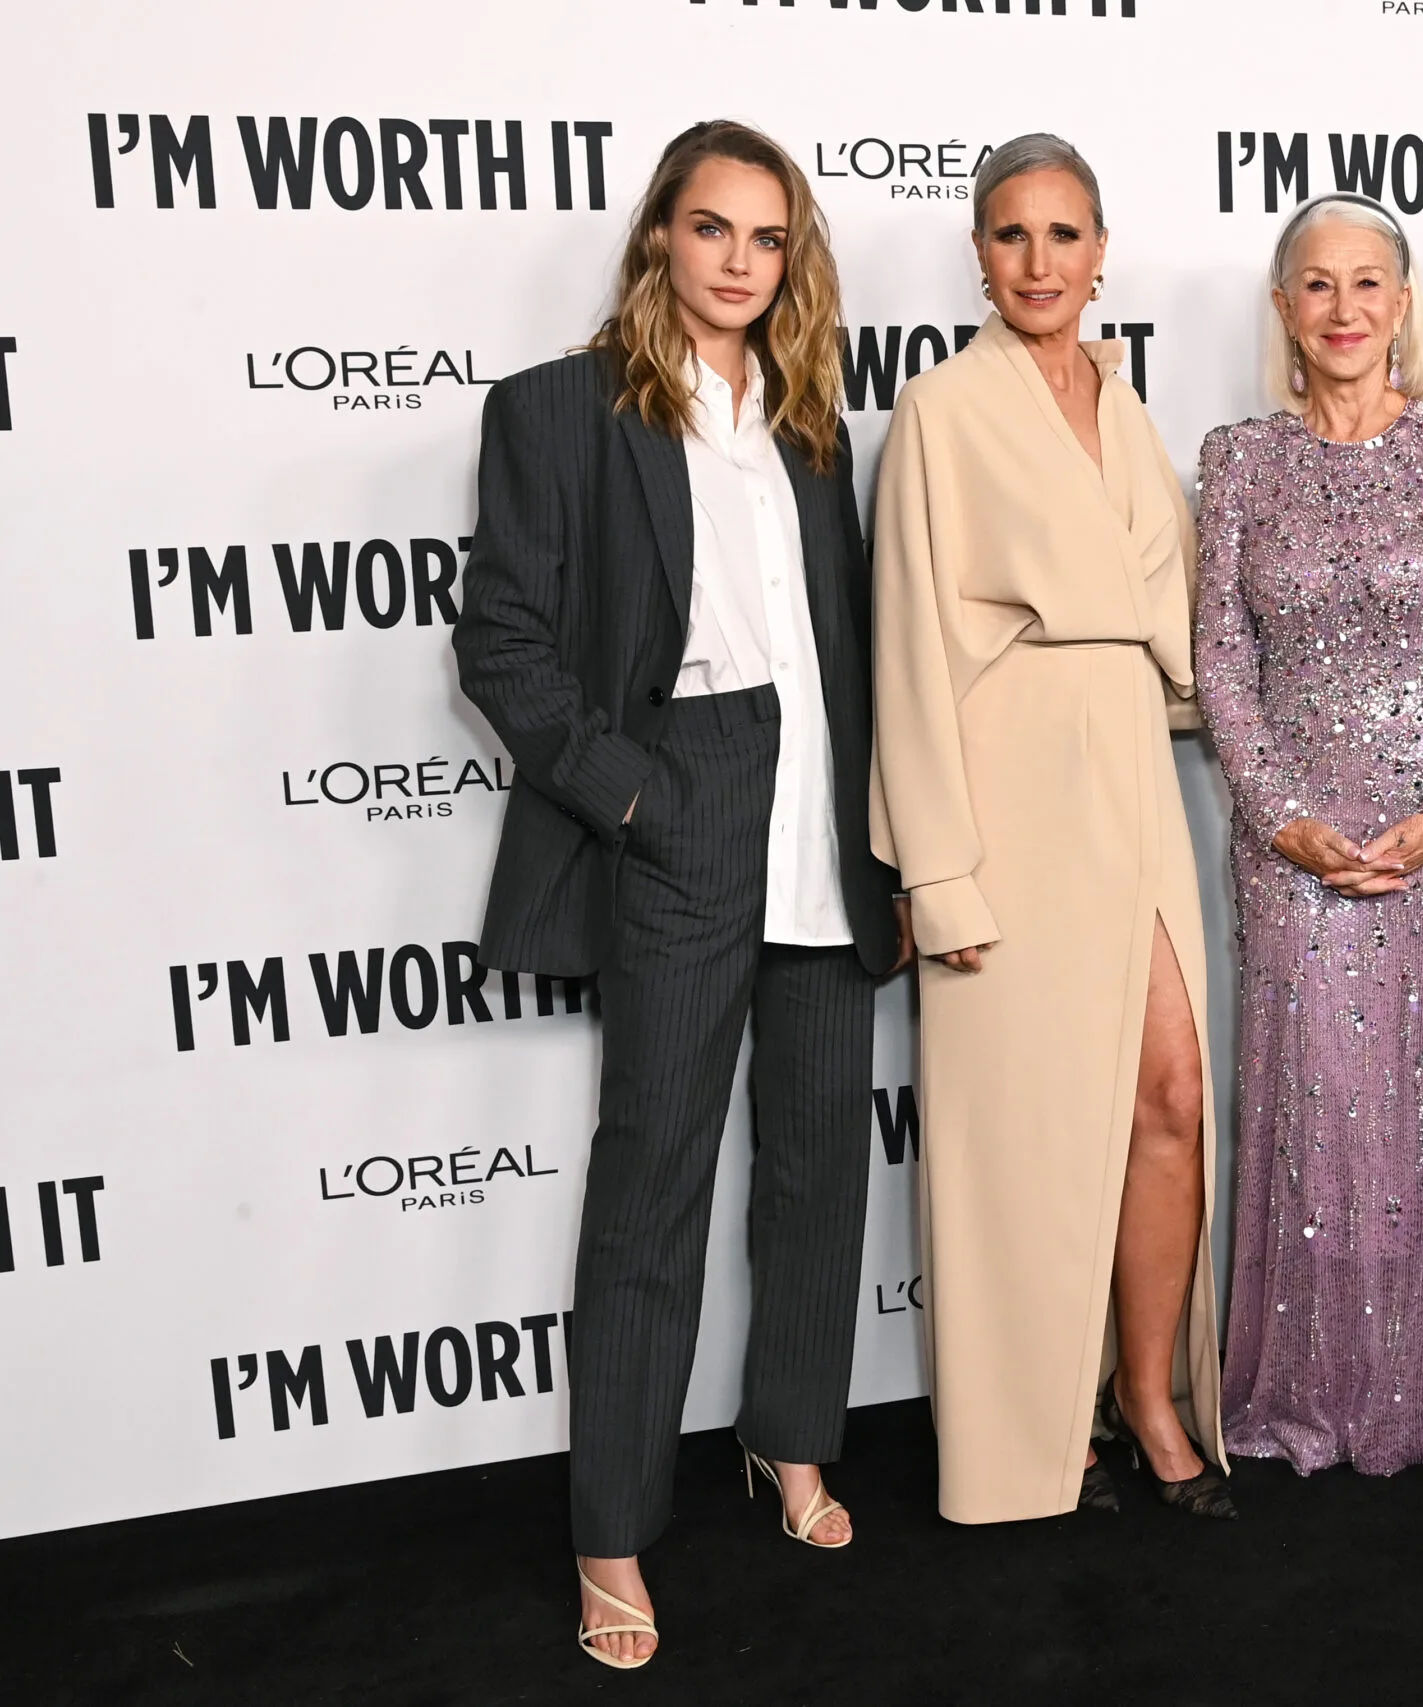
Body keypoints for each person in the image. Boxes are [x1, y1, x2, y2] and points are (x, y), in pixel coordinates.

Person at [454, 120, 907, 1669]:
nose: (738, 261)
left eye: (767, 238)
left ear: (794, 259)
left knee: (816, 1162)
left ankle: (789, 1432)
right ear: (661, 237)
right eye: (712, 229)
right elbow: (500, 644)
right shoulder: (560, 411)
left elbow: (847, 642)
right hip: (683, 791)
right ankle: (611, 1529)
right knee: (652, 1174)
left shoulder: (814, 421)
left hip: (819, 798)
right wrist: (635, 788)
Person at [870, 135, 1234, 1523]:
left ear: (1101, 253)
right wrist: (938, 871)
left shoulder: (1128, 407)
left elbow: (1184, 626)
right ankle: (1031, 1436)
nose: (1039, 264)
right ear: (978, 253)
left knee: (1168, 1096)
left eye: (1064, 235)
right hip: (1005, 782)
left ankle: (1146, 1394)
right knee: (1024, 1133)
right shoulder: (942, 409)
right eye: (1012, 237)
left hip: (1130, 769)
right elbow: (909, 646)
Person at [1197, 192, 1423, 1476]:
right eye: (1316, 286)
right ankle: (1312, 1385)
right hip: (1295, 847)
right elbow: (1221, 655)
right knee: (1324, 1117)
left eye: (1367, 283)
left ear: (1403, 302)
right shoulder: (1238, 459)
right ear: (1285, 309)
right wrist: (1283, 818)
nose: (1343, 309)